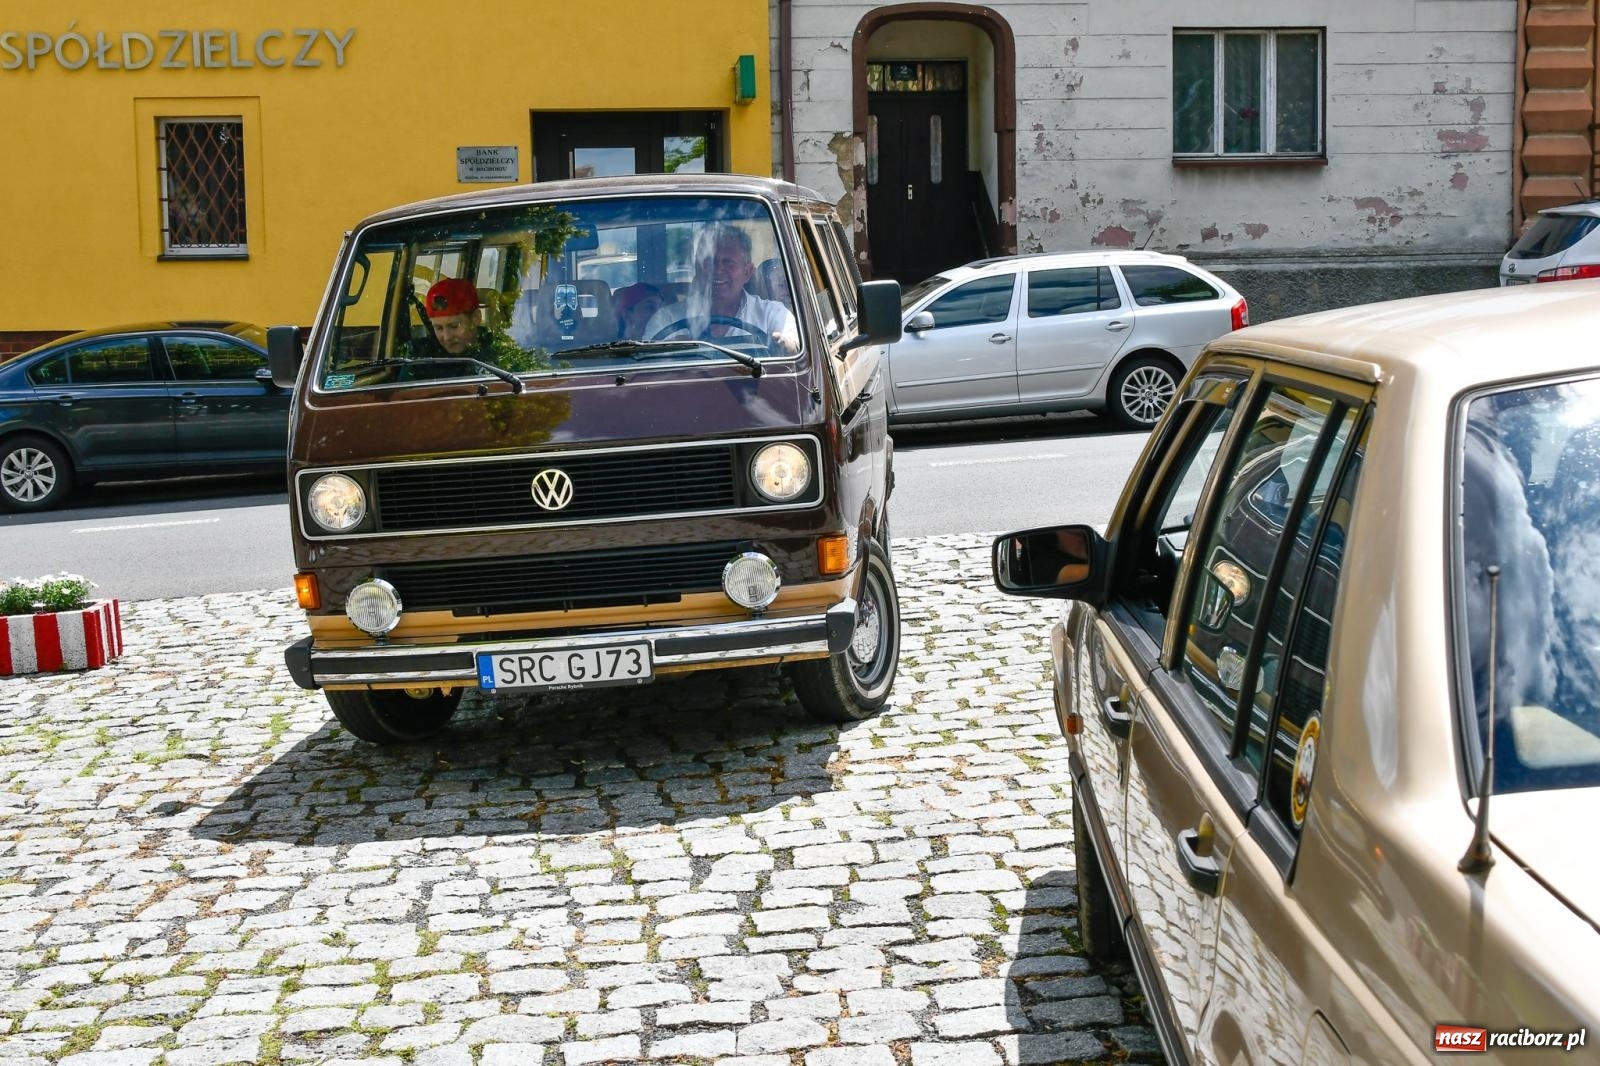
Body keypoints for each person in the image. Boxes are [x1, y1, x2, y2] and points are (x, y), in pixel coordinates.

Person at [644, 225, 799, 354]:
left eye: (728, 263)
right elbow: (644, 366)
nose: (717, 270)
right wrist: (668, 352)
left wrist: (785, 345)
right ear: (697, 268)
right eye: (709, 262)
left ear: (747, 272)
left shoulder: (770, 314)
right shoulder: (667, 319)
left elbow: (792, 347)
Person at [421, 277, 545, 372]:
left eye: (454, 326)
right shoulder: (421, 359)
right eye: (438, 328)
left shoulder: (502, 357)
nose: (447, 337)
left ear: (476, 318)